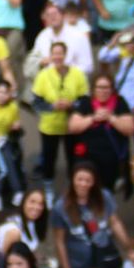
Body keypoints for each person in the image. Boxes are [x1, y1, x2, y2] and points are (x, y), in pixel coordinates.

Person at [52, 162, 129, 268]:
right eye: (80, 179)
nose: (83, 184)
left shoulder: (104, 197)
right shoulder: (61, 207)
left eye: (88, 180)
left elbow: (114, 222)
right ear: (72, 180)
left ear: (94, 182)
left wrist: (129, 247)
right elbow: (60, 242)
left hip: (102, 263)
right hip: (77, 267)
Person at [67, 73, 134, 192]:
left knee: (106, 192)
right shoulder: (85, 102)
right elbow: (73, 127)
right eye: (99, 87)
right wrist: (93, 118)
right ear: (93, 89)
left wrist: (111, 118)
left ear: (112, 89)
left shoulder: (120, 102)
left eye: (106, 87)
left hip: (111, 160)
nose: (103, 91)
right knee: (85, 190)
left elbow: (130, 129)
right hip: (87, 158)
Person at [33, 41, 88, 185]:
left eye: (60, 53)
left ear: (65, 54)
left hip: (72, 127)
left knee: (73, 158)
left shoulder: (77, 74)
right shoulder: (43, 75)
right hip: (50, 127)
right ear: (51, 56)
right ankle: (48, 187)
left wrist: (71, 105)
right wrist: (52, 106)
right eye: (54, 54)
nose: (58, 57)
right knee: (49, 158)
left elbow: (85, 101)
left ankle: (73, 187)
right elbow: (37, 103)